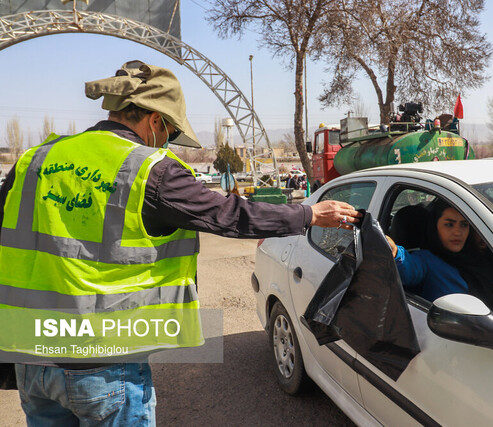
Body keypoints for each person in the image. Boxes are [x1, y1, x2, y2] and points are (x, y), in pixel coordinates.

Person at [0, 60, 361, 426]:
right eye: (171, 133)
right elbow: (231, 214)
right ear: (156, 121)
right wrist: (309, 215)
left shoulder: (35, 159)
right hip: (103, 362)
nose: (168, 143)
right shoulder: (149, 169)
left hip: (32, 355)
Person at [386, 198, 493, 312]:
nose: (457, 232)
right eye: (449, 224)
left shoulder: (481, 259)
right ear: (435, 227)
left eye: (464, 225)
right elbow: (408, 268)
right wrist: (395, 251)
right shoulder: (427, 261)